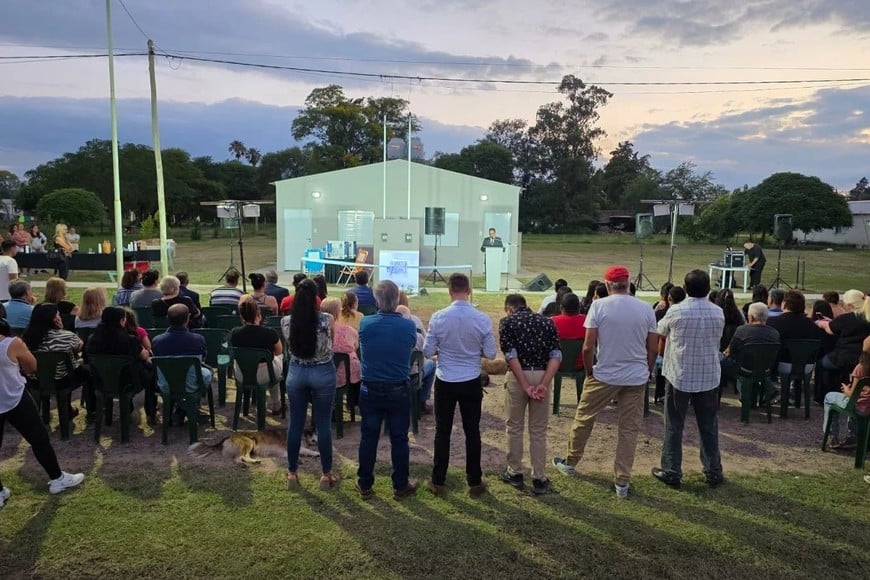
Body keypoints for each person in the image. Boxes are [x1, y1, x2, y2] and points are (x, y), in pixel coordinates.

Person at [552, 265, 657, 499]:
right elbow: (652, 347)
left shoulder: (599, 306)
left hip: (605, 374)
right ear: (629, 283)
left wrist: (590, 372)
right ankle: (622, 481)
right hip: (635, 375)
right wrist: (646, 371)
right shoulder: (645, 308)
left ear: (608, 285)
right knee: (629, 429)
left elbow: (588, 346)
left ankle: (570, 461)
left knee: (584, 417)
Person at [423, 273, 496, 498]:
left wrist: (444, 350)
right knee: (472, 431)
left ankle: (438, 480)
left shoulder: (438, 317)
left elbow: (427, 351)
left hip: (446, 380)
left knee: (442, 431)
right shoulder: (481, 318)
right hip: (471, 379)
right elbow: (491, 353)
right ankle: (474, 481)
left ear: (449, 291)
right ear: (469, 290)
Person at [651, 270, 725, 489]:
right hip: (708, 375)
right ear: (708, 288)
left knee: (674, 424)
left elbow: (659, 330)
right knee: (708, 425)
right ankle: (713, 470)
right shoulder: (718, 312)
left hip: (680, 375)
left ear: (684, 287)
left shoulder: (677, 310)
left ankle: (672, 470)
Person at [0, 317, 85, 507]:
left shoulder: (13, 343)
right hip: (14, 398)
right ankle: (57, 478)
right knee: (39, 439)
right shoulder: (12, 343)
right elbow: (32, 366)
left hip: (12, 396)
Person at [356, 280, 417, 500]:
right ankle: (400, 485)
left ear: (377, 300)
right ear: (398, 299)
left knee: (368, 438)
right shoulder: (408, 325)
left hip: (370, 388)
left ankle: (365, 484)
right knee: (400, 438)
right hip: (398, 388)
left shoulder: (365, 323)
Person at [499, 293, 561, 495]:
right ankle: (539, 477)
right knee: (538, 430)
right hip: (543, 373)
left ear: (509, 308)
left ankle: (515, 472)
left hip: (519, 376)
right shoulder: (547, 322)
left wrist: (525, 384)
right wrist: (543, 383)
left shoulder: (507, 322)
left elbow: (511, 356)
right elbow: (556, 355)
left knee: (514, 426)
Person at [281, 279, 337, 491]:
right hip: (323, 372)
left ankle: (292, 473)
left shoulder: (286, 321)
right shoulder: (327, 319)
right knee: (323, 424)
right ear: (316, 298)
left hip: (297, 373)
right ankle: (325, 474)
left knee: (295, 424)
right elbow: (331, 341)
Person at [86, 306, 156, 423]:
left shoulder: (92, 339)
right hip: (129, 382)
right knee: (151, 372)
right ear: (121, 321)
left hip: (100, 381)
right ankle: (151, 411)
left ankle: (96, 412)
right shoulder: (130, 339)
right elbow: (144, 355)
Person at [22, 303, 92, 418]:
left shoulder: (26, 339)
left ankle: (45, 413)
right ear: (55, 319)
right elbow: (81, 348)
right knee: (88, 370)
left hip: (35, 380)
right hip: (62, 380)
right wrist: (61, 330)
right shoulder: (67, 336)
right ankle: (91, 411)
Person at [151, 304, 212, 423]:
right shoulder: (197, 339)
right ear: (188, 319)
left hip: (166, 384)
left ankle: (182, 408)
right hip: (191, 384)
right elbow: (203, 359)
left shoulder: (157, 340)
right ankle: (187, 408)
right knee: (205, 373)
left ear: (167, 319)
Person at [230, 295, 283, 415]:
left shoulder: (234, 333)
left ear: (242, 316)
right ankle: (276, 403)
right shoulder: (270, 333)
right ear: (259, 314)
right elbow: (279, 351)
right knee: (278, 360)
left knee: (271, 363)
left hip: (242, 374)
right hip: (266, 374)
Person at [768, 290, 822, 400]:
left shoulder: (773, 322)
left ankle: (768, 391)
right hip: (807, 365)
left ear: (784, 304)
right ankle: (793, 394)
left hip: (781, 364)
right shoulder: (812, 325)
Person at [720, 303, 780, 393]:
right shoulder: (774, 333)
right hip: (766, 367)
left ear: (751, 317)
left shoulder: (742, 330)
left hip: (744, 368)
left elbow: (730, 351)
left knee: (721, 362)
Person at [823, 336, 870, 449]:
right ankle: (853, 436)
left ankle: (831, 435)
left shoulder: (861, 368)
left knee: (830, 398)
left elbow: (853, 395)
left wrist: (846, 389)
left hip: (861, 407)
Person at [816, 290, 870, 377]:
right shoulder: (867, 317)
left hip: (844, 358)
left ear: (849, 305)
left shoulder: (846, 318)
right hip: (865, 361)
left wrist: (820, 323)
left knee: (821, 363)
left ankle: (824, 388)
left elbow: (830, 329)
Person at [320, 296, 361, 392]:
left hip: (322, 373)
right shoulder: (348, 330)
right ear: (338, 312)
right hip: (346, 374)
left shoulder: (315, 331)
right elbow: (356, 347)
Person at [551, 292, 586, 372]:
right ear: (579, 307)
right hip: (581, 364)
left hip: (557, 362)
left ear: (561, 307)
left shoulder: (552, 321)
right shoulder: (587, 321)